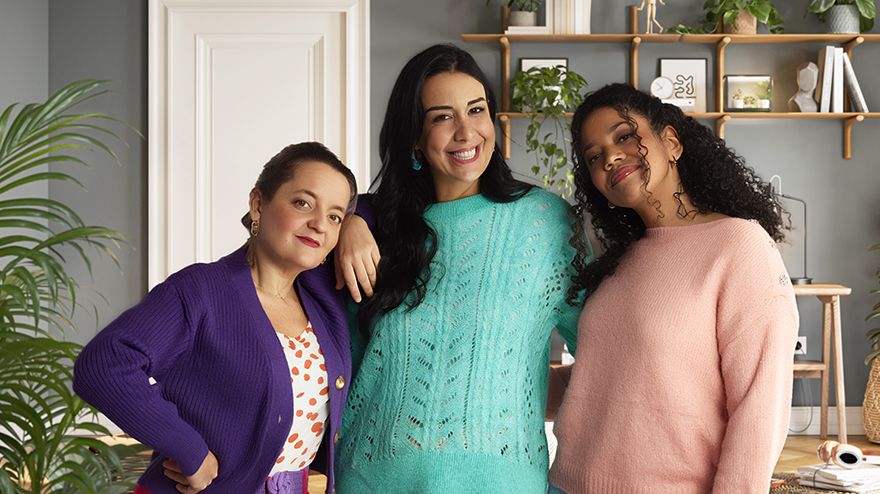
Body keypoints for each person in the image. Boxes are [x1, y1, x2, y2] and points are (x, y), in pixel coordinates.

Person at [330, 44, 584, 493]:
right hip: (372, 482)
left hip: (504, 484)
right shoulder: (375, 229)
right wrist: (347, 219)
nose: (466, 132)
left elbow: (610, 351)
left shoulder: (545, 224)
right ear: (414, 137)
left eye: (477, 110)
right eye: (442, 117)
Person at [547, 83, 799, 494]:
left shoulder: (739, 246)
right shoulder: (621, 260)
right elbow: (618, 378)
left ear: (671, 142)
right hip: (566, 484)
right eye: (594, 156)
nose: (609, 156)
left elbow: (759, 410)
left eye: (624, 136)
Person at [74, 142, 357, 494]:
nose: (319, 225)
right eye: (303, 203)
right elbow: (103, 366)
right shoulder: (202, 290)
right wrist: (189, 449)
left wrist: (357, 224)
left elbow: (393, 206)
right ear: (258, 204)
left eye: (334, 216)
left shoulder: (322, 297)